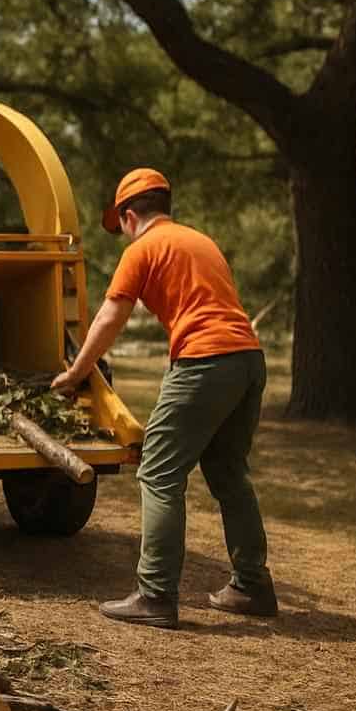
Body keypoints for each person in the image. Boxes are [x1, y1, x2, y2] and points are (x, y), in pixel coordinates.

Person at [51, 167, 274, 629]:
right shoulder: (201, 242)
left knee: (158, 470)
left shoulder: (143, 248)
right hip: (248, 359)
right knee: (230, 472)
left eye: (121, 226)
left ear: (129, 216)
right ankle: (252, 585)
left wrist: (75, 373)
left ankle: (155, 594)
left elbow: (109, 319)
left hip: (204, 361)